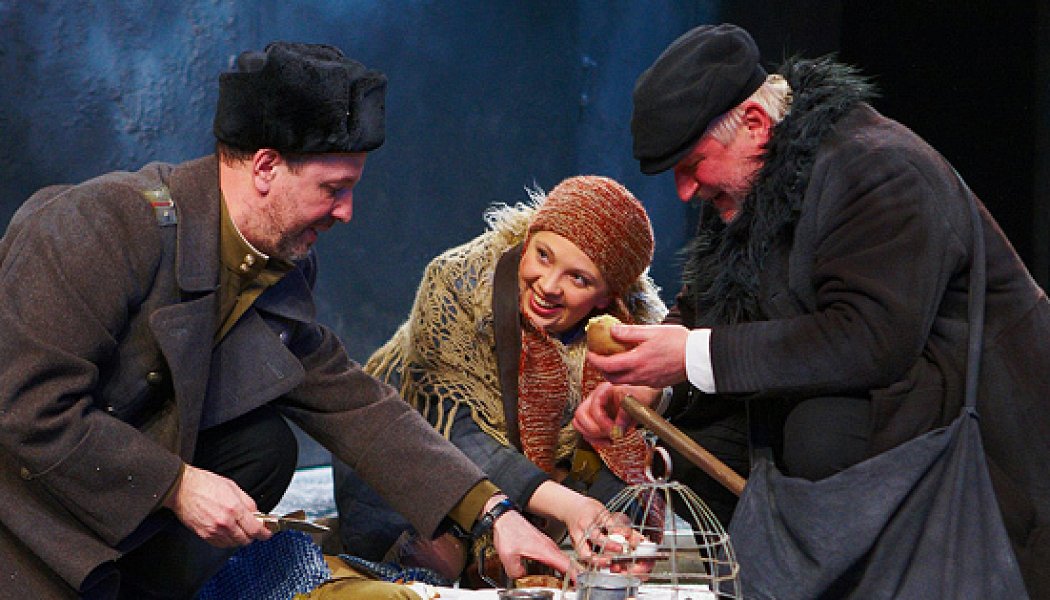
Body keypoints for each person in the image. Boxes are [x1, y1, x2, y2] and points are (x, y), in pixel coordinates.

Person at [0, 42, 570, 599]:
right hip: (23, 516)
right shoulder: (101, 224)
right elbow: (25, 408)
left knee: (263, 448)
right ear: (267, 167)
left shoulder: (277, 261)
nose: (347, 212)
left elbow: (353, 404)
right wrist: (176, 486)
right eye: (333, 189)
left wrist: (493, 513)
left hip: (113, 501)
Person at [572, 23, 1050, 597]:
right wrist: (651, 382)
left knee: (821, 430)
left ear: (755, 123)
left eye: (692, 163)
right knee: (696, 443)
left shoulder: (878, 168)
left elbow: (870, 338)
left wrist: (687, 357)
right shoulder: (747, 183)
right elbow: (705, 307)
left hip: (974, 466)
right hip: (882, 443)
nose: (684, 191)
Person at [333, 175, 667, 583]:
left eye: (578, 279)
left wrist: (612, 526)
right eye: (543, 256)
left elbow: (622, 454)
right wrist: (570, 507)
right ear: (528, 240)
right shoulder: (458, 283)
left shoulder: (628, 337)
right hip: (406, 468)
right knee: (431, 566)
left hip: (533, 490)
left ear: (606, 297)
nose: (548, 286)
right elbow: (456, 434)